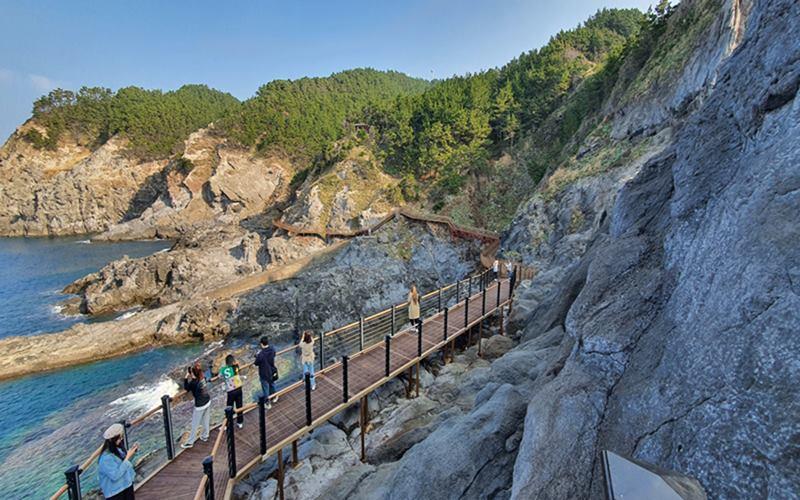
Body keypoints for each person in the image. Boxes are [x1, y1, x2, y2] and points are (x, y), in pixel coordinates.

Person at [97, 423, 138, 499]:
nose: (121, 439)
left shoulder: (117, 450)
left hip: (126, 486)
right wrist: (127, 457)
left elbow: (125, 464)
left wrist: (132, 453)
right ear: (112, 439)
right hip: (115, 493)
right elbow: (115, 475)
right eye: (119, 438)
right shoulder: (106, 458)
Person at [181, 361, 211, 448]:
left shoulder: (193, 383)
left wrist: (186, 377)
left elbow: (186, 388)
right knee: (205, 419)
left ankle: (190, 442)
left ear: (192, 373)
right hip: (207, 401)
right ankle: (205, 436)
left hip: (200, 405)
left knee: (195, 424)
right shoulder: (202, 377)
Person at [220, 354, 244, 428]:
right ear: (233, 361)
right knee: (239, 406)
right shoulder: (235, 367)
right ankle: (240, 423)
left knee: (229, 407)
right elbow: (237, 365)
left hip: (231, 391)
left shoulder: (223, 369)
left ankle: (227, 424)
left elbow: (220, 376)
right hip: (239, 388)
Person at [255, 337, 279, 408]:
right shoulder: (272, 349)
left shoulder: (261, 354)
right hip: (271, 371)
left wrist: (257, 355)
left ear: (261, 344)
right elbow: (274, 354)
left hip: (264, 373)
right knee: (272, 384)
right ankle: (274, 397)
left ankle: (267, 403)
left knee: (265, 388)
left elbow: (256, 363)